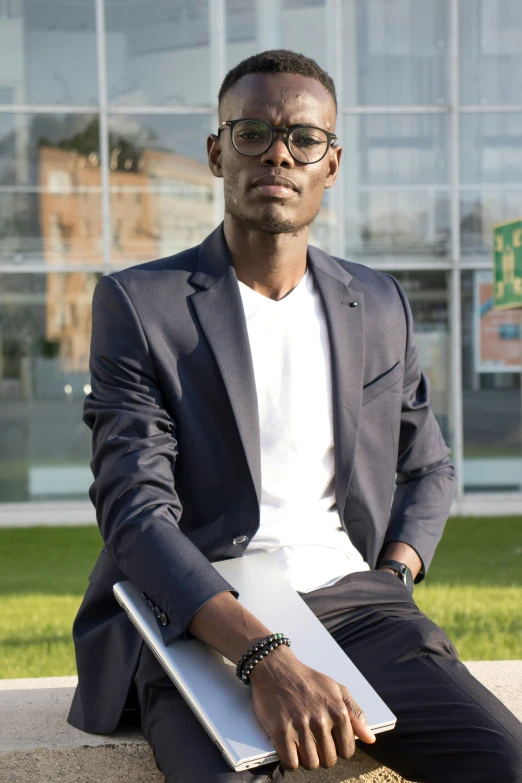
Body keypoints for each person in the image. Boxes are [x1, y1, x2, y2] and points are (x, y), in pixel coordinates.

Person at [68, 50, 522, 783]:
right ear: (218, 153)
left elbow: (429, 463)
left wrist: (396, 574)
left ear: (331, 164)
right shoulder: (140, 305)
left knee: (505, 759)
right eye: (252, 133)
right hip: (205, 612)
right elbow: (135, 514)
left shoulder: (377, 303)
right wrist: (264, 654)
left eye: (303, 139)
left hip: (358, 605)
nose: (278, 153)